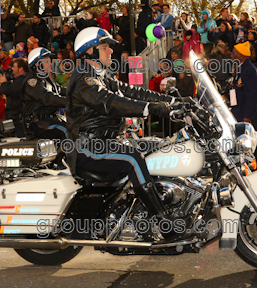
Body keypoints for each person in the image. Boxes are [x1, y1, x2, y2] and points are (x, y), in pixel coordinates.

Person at [67, 27, 193, 240]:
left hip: (108, 141)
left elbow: (133, 91)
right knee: (132, 158)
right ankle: (163, 224)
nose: (110, 52)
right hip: (88, 147)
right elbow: (109, 102)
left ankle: (167, 203)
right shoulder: (84, 80)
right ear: (89, 52)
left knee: (157, 145)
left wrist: (172, 101)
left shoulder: (102, 76)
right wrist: (148, 109)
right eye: (105, 48)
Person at [230, 42, 257, 169]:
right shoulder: (240, 68)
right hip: (239, 112)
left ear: (241, 55)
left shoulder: (249, 70)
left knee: (253, 146)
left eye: (234, 53)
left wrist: (248, 116)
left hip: (249, 116)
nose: (232, 55)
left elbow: (253, 95)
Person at [0, 58, 29, 138]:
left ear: (21, 69)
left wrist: (4, 83)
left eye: (14, 66)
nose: (11, 69)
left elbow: (9, 90)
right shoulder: (18, 80)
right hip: (15, 115)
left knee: (21, 139)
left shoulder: (22, 80)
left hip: (19, 116)